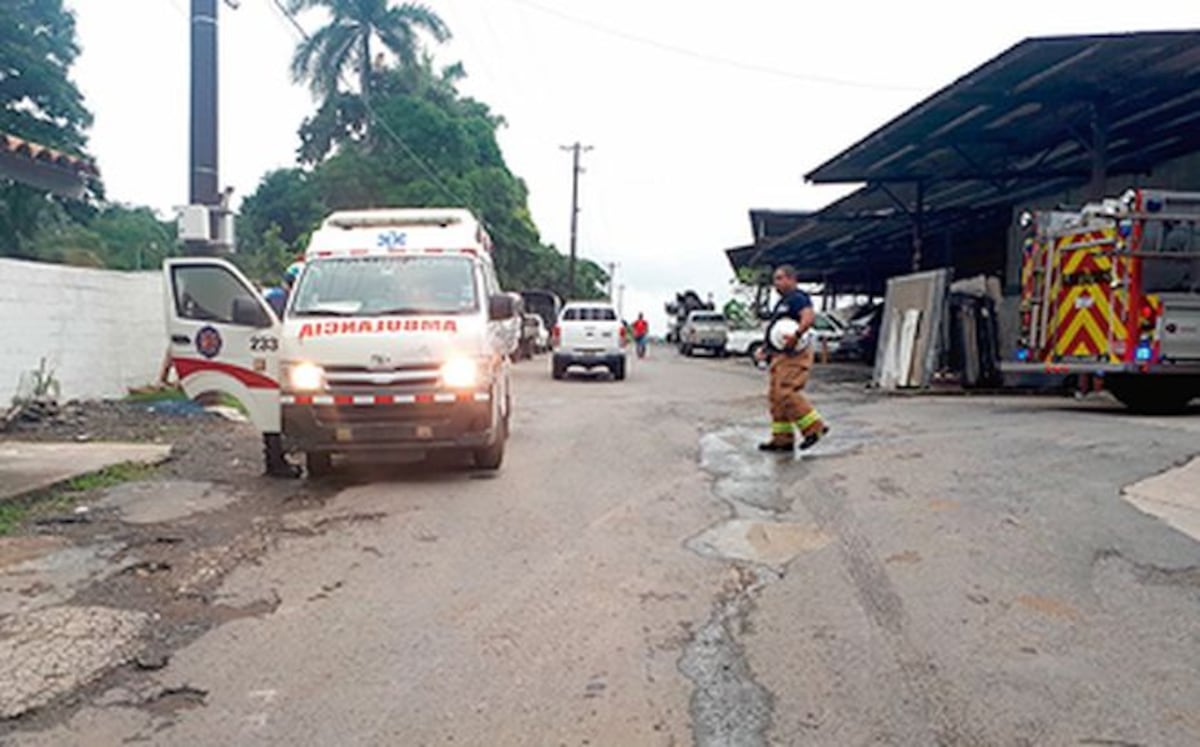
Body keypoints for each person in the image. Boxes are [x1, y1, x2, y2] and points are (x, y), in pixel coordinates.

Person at [756, 265, 829, 452]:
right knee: (776, 398)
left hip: (795, 353)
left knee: (786, 392)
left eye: (780, 278)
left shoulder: (798, 298)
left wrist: (796, 335)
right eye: (775, 279)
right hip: (780, 355)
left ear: (791, 279)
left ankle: (815, 428)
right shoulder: (781, 303)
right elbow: (777, 330)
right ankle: (782, 439)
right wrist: (766, 349)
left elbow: (808, 317)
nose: (776, 283)